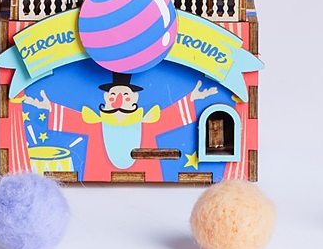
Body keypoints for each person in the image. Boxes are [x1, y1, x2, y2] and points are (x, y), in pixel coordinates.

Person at [24, 72, 216, 180]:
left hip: (145, 171)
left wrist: (192, 98)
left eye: (125, 95)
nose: (119, 100)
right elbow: (72, 119)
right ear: (106, 97)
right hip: (99, 172)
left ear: (135, 98)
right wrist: (48, 107)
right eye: (114, 95)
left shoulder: (147, 121)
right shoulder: (95, 122)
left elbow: (170, 117)